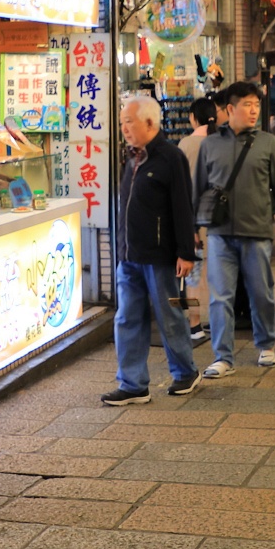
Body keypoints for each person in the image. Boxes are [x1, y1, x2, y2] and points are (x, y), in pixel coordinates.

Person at [194, 80, 275, 377]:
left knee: (261, 292)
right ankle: (223, 357)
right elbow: (198, 187)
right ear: (230, 109)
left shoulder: (268, 143)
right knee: (220, 297)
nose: (254, 111)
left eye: (256, 105)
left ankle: (266, 344)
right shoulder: (210, 144)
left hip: (257, 231)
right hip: (219, 233)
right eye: (247, 105)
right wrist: (192, 227)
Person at [102, 96, 199, 405]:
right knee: (127, 318)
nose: (124, 128)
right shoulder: (130, 158)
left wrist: (186, 252)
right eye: (122, 123)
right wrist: (120, 248)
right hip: (129, 256)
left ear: (149, 122)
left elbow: (182, 206)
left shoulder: (171, 157)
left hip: (160, 256)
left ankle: (185, 372)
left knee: (169, 316)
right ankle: (132, 384)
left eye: (128, 122)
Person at [176, 94, 224, 344]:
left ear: (194, 118)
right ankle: (216, 321)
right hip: (220, 218)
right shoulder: (222, 141)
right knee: (218, 273)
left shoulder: (186, 144)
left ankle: (194, 324)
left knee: (193, 274)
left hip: (193, 219)